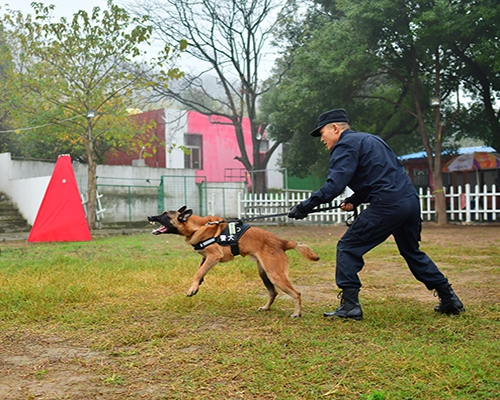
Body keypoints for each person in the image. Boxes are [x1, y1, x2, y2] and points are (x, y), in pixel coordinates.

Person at [288, 108, 464, 320]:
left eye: (322, 133)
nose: (322, 139)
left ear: (335, 128)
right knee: (411, 251)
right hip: (409, 201)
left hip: (387, 204)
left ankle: (350, 306)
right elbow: (380, 177)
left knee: (348, 247)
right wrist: (354, 200)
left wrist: (304, 207)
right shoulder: (373, 140)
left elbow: (334, 184)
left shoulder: (344, 145)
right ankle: (449, 299)